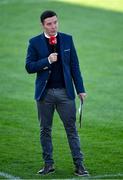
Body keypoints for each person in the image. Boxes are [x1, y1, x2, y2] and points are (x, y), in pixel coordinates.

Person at [25, 10, 89, 177]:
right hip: (44, 94)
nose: (53, 26)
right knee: (45, 130)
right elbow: (29, 67)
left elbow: (75, 66)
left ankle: (79, 165)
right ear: (42, 25)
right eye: (49, 24)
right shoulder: (34, 42)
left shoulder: (67, 39)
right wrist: (47, 60)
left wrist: (80, 89)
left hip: (65, 93)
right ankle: (48, 164)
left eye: (55, 22)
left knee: (72, 130)